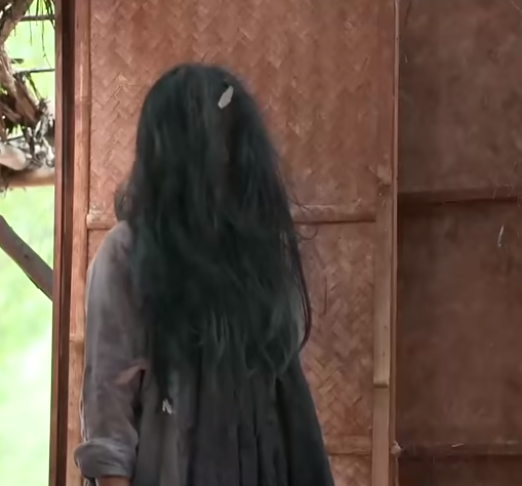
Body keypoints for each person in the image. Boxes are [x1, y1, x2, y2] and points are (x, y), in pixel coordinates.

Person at [74, 63, 334, 486]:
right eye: (218, 144)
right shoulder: (128, 252)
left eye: (235, 143)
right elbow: (109, 405)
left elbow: (284, 388)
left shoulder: (259, 254)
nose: (230, 158)